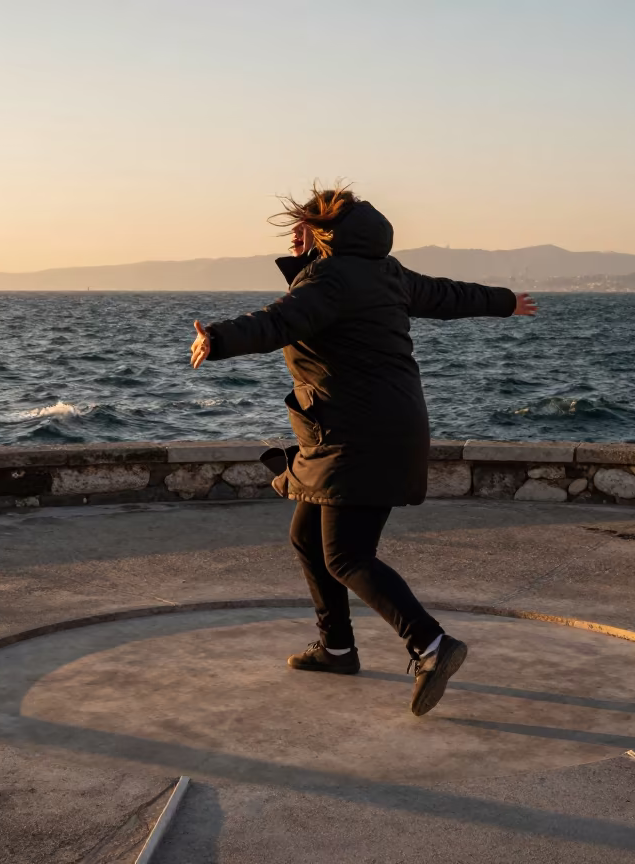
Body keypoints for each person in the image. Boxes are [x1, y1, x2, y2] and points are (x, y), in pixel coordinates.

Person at [189, 184, 537, 716]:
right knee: (306, 535)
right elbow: (447, 295)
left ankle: (431, 644)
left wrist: (217, 339)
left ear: (324, 233)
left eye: (303, 227)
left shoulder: (329, 279)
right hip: (380, 427)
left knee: (347, 554)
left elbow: (277, 321)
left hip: (357, 436)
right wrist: (504, 301)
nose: (294, 235)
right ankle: (336, 648)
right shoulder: (384, 272)